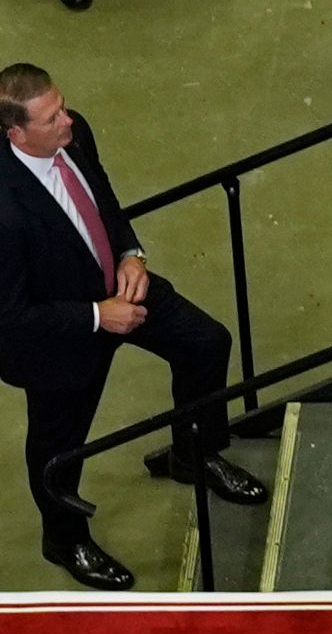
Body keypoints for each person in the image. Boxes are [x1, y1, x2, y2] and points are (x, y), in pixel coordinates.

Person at [2, 63, 258, 587]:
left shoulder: (77, 134)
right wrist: (98, 316)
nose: (68, 122)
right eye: (52, 119)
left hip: (120, 286)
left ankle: (192, 452)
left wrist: (129, 253)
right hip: (61, 333)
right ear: (16, 133)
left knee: (207, 343)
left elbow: (104, 201)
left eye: (63, 106)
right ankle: (65, 539)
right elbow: (9, 316)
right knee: (58, 447)